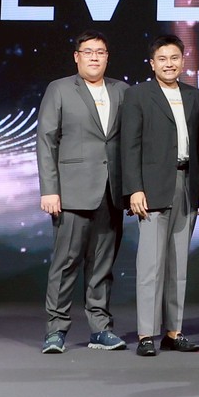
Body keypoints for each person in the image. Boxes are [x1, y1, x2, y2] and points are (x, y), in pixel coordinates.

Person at [35, 32, 132, 355]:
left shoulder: (122, 90)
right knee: (66, 264)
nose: (94, 57)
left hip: (111, 191)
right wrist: (50, 189)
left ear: (107, 57)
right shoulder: (60, 88)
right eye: (88, 52)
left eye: (100, 52)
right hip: (71, 192)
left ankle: (100, 329)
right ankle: (56, 330)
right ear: (76, 56)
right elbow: (46, 141)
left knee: (102, 265)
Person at [122, 32, 199, 356]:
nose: (169, 64)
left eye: (174, 58)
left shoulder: (193, 96)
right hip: (152, 188)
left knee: (179, 266)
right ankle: (146, 334)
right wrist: (134, 189)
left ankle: (174, 332)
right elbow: (129, 146)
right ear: (152, 64)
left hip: (187, 184)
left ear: (182, 60)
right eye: (162, 59)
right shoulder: (138, 95)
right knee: (151, 265)